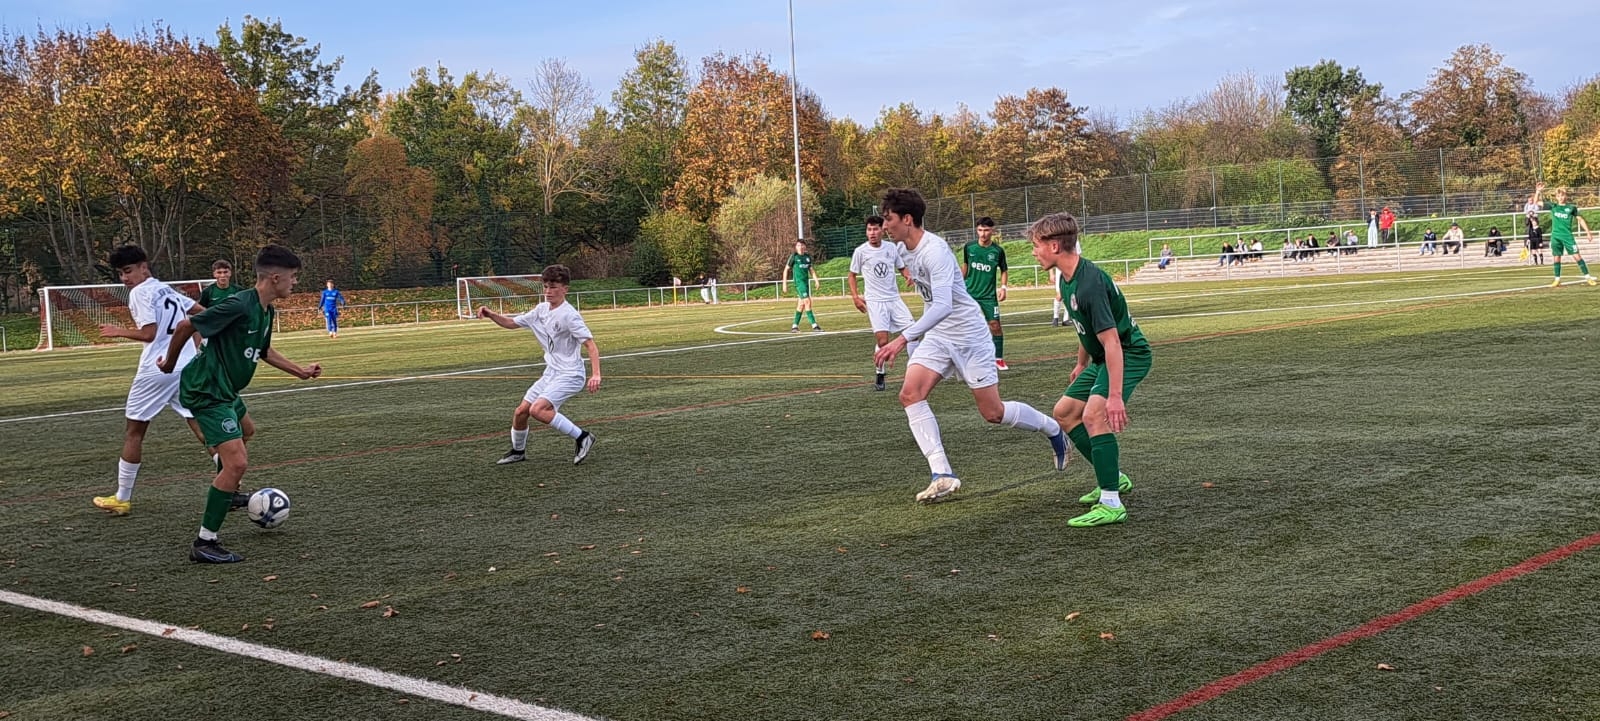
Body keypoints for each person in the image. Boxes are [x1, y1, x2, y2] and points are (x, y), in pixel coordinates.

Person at [872, 188, 1068, 504]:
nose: (884, 225)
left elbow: (943, 305)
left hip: (969, 336)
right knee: (910, 394)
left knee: (993, 412)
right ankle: (942, 473)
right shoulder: (901, 250)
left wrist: (903, 338)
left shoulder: (935, 251)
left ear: (907, 219)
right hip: (939, 336)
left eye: (888, 219)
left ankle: (1053, 430)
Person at [158, 244, 323, 564]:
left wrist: (300, 371)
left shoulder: (266, 310)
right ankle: (205, 542)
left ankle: (228, 493)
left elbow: (264, 350)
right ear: (275, 278)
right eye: (293, 277)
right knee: (236, 463)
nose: (295, 282)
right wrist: (169, 365)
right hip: (207, 389)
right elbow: (186, 325)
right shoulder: (239, 304)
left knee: (247, 431)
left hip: (226, 389)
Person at [1029, 212, 1151, 528]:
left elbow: (1112, 342)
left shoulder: (1089, 284)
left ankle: (1111, 503)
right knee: (1065, 412)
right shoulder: (1066, 278)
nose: (1034, 252)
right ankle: (1113, 477)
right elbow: (1085, 328)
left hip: (1128, 353)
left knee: (1094, 416)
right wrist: (1081, 363)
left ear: (1054, 246)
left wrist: (1115, 396)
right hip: (1101, 358)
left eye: (1036, 245)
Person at [90, 245, 211, 516]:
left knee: (134, 432)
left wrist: (117, 331)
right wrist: (195, 344)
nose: (125, 278)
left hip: (157, 370)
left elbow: (149, 333)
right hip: (185, 367)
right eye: (120, 273)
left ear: (144, 267)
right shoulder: (166, 289)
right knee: (199, 424)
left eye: (128, 271)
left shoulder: (140, 292)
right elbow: (202, 313)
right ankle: (230, 482)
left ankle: (122, 498)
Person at [478, 264, 603, 468]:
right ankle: (518, 452)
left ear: (565, 289)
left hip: (571, 374)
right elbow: (511, 323)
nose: (548, 291)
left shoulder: (569, 315)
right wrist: (491, 314)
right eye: (545, 286)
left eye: (553, 287)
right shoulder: (540, 310)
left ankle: (583, 437)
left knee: (538, 409)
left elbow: (590, 345)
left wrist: (596, 374)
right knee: (521, 412)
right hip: (551, 373)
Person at [849, 215, 915, 391]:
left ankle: (914, 372)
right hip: (875, 301)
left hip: (894, 299)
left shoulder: (891, 248)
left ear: (882, 230)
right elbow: (852, 275)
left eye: (875, 229)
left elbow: (901, 267)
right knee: (883, 341)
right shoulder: (860, 251)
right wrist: (855, 297)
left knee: (913, 333)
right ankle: (880, 372)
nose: (872, 233)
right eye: (869, 229)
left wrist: (907, 276)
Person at [962, 217, 1010, 370]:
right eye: (980, 230)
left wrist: (1003, 287)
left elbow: (1004, 270)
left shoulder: (997, 251)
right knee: (966, 326)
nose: (983, 234)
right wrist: (958, 285)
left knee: (995, 325)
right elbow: (965, 267)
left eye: (986, 230)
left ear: (992, 231)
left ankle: (998, 358)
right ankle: (967, 358)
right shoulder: (969, 247)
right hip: (969, 294)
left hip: (989, 296)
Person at [1532, 183, 1596, 287]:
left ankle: (1588, 277)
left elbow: (1580, 219)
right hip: (1556, 236)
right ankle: (1557, 279)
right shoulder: (1553, 206)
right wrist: (1538, 191)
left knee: (1577, 256)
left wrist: (1588, 233)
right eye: (1559, 196)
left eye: (1562, 195)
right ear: (1556, 197)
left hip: (1567, 236)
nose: (1561, 198)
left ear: (1565, 196)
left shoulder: (1571, 208)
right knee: (1556, 257)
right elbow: (1536, 202)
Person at [782, 240, 822, 332]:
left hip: (805, 283)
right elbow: (786, 269)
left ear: (805, 247)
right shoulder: (794, 257)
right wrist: (784, 284)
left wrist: (816, 280)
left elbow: (811, 270)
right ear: (796, 247)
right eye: (798, 245)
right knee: (807, 301)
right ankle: (814, 325)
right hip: (799, 283)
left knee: (801, 305)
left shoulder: (807, 257)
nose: (800, 247)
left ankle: (794, 326)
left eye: (802, 245)